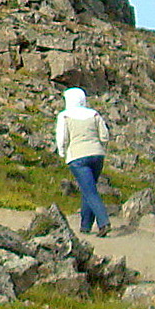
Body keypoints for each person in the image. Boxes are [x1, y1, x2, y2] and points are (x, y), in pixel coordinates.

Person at [55, 87, 112, 235]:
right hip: (97, 155)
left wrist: (62, 152)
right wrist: (100, 147)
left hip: (77, 157)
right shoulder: (94, 114)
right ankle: (85, 225)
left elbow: (62, 138)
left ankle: (103, 222)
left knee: (89, 191)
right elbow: (105, 136)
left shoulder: (64, 116)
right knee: (89, 189)